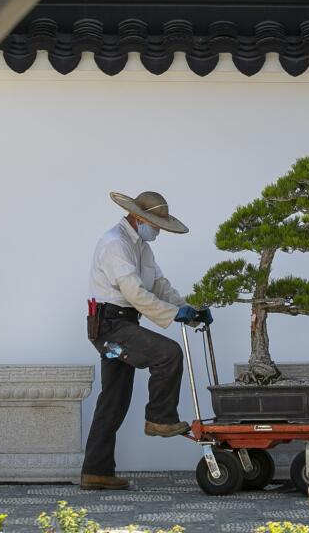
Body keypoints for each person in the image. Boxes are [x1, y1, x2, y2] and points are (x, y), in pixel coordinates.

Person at [80, 189, 212, 490]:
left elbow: (158, 285)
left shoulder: (140, 246)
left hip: (121, 325)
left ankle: (95, 472)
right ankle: (159, 418)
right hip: (110, 329)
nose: (158, 231)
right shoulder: (115, 243)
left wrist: (188, 310)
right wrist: (171, 314)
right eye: (155, 224)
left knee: (113, 401)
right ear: (138, 218)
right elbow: (135, 294)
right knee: (168, 353)